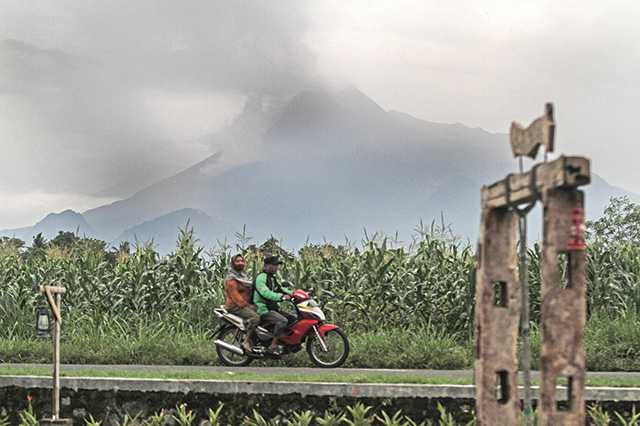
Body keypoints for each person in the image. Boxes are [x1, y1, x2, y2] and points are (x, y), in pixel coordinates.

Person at [253, 255, 295, 355]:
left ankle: (284, 344)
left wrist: (294, 293)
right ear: (266, 266)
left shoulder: (272, 278)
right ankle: (273, 345)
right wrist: (281, 297)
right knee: (282, 320)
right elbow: (265, 293)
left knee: (292, 319)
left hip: (272, 308)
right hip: (262, 308)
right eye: (274, 265)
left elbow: (280, 289)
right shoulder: (261, 278)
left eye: (277, 265)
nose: (277, 267)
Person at [223, 254, 259, 353]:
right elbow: (236, 298)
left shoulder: (243, 276)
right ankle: (246, 341)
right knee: (255, 318)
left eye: (242, 261)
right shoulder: (231, 279)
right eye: (237, 261)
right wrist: (249, 306)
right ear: (232, 263)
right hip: (235, 306)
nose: (240, 263)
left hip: (244, 305)